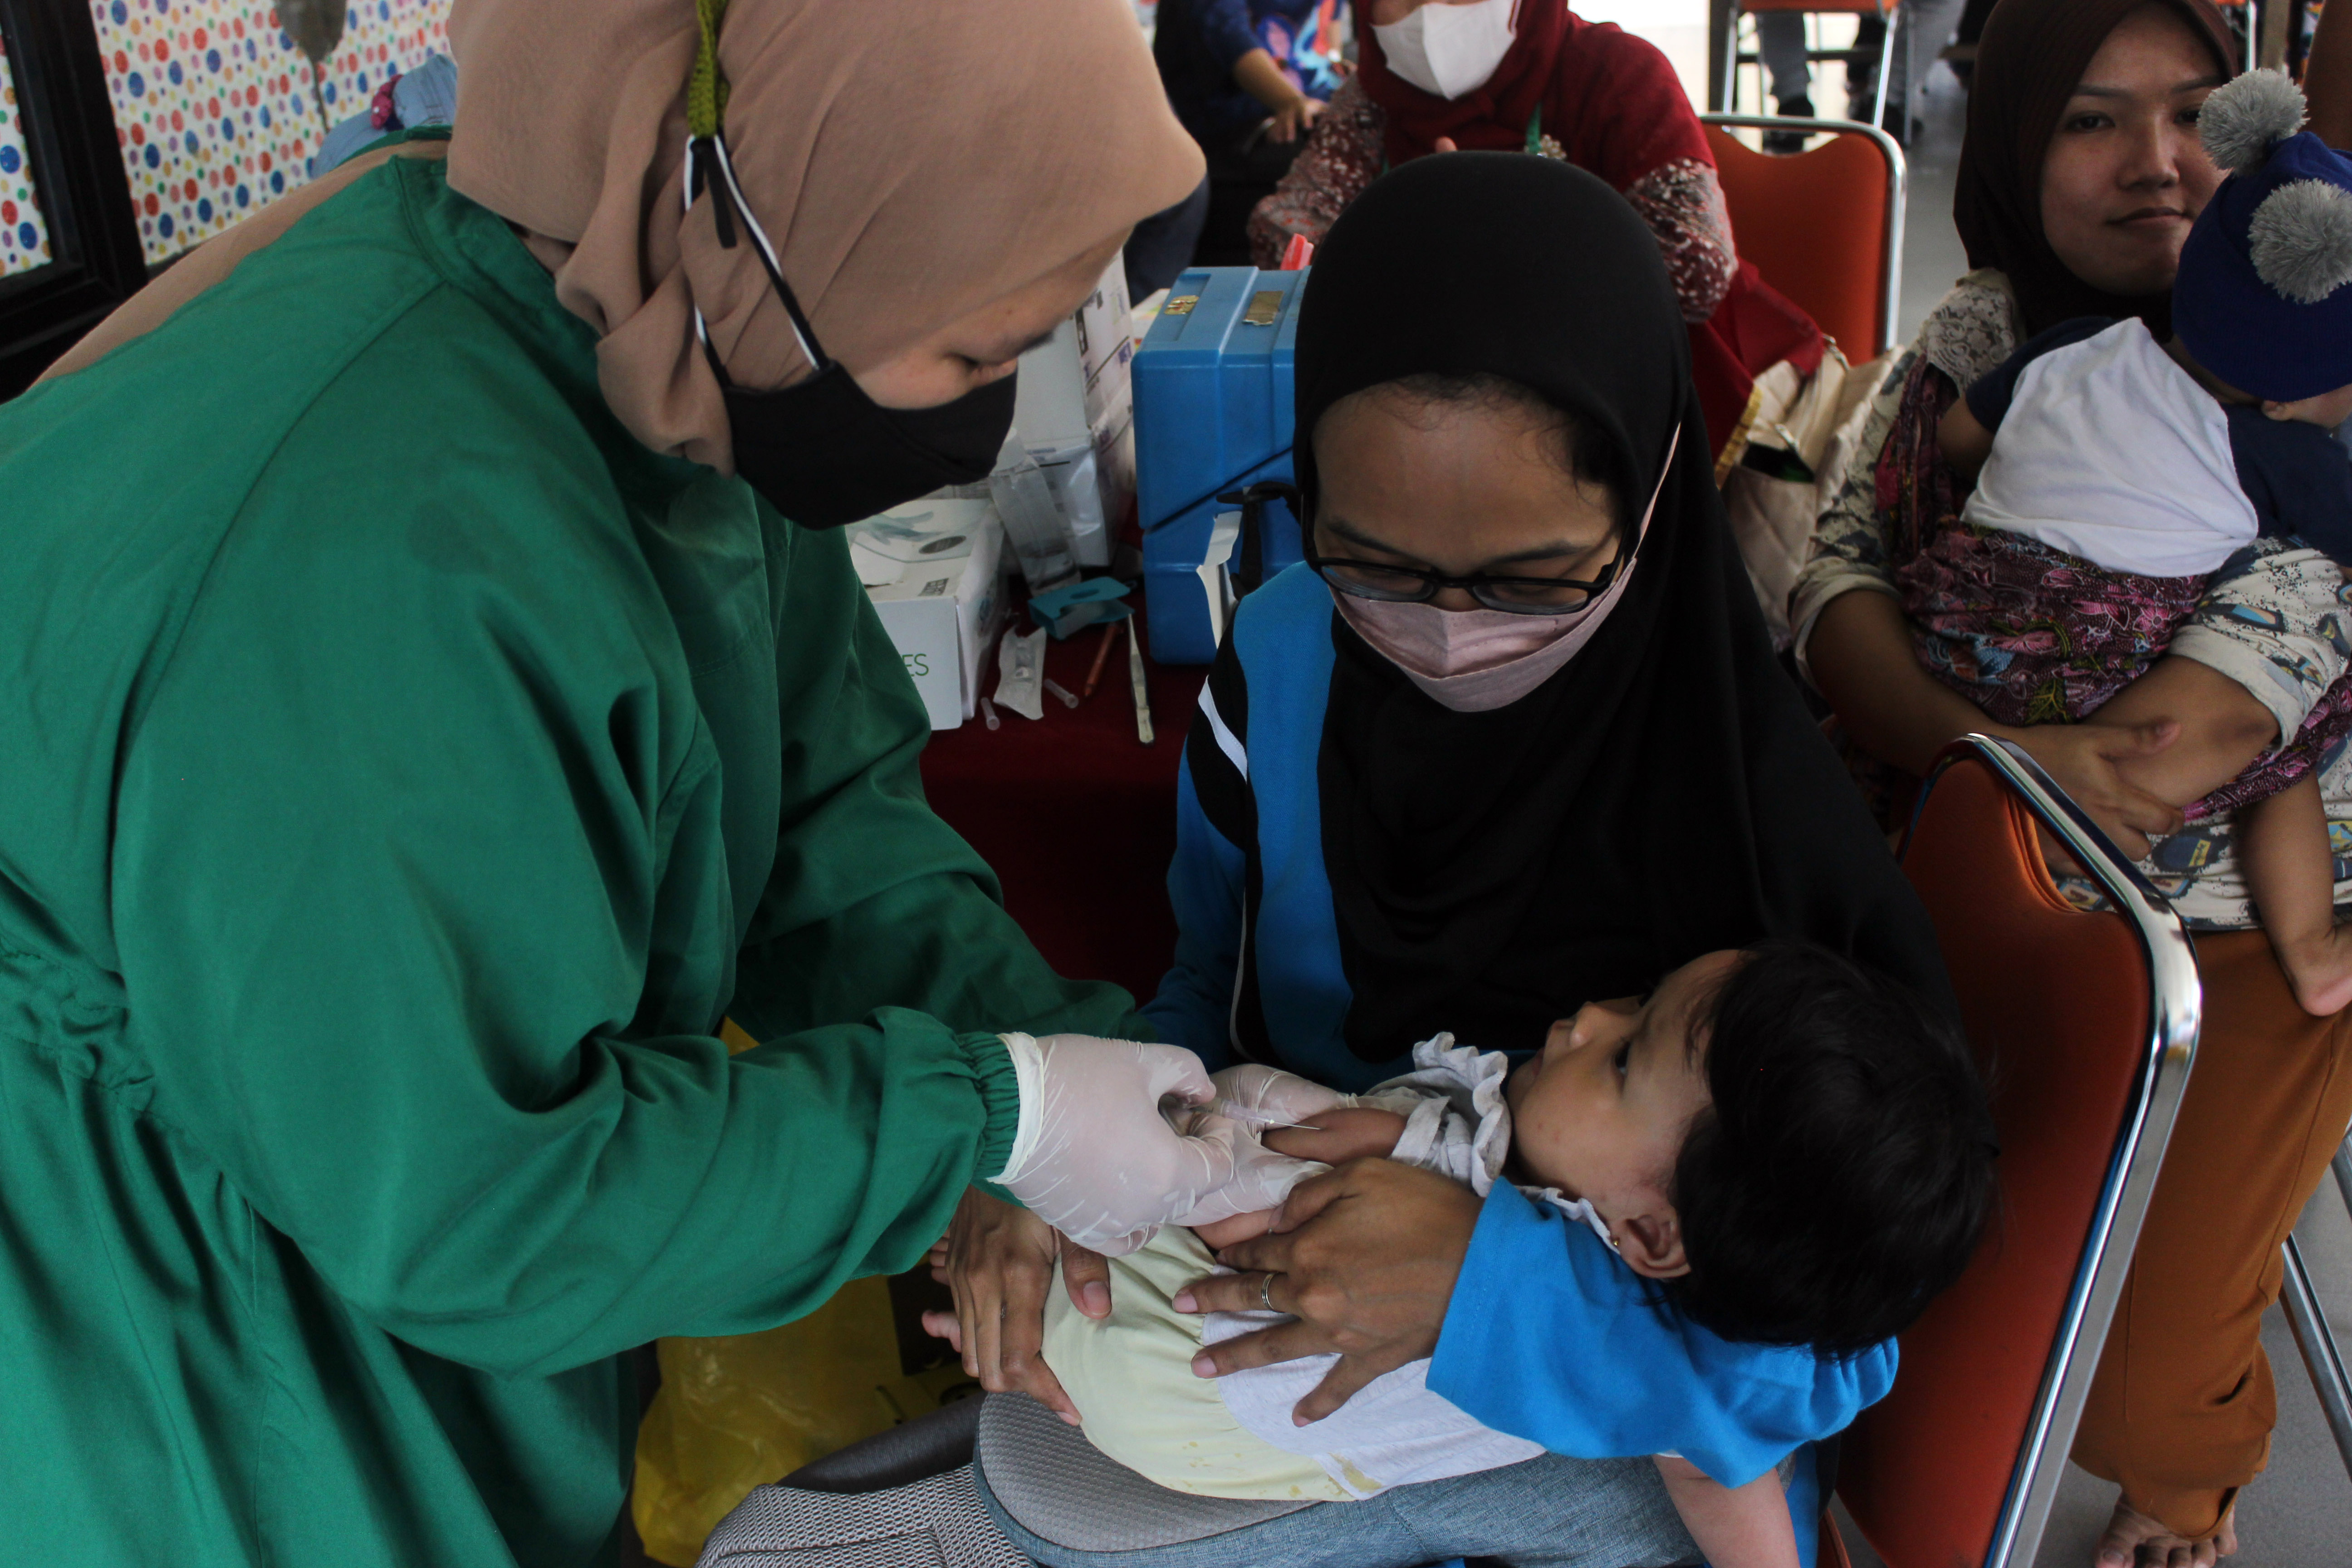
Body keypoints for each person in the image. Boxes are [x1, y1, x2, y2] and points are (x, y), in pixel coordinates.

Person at [0, 2, 1295, 1564]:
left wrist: (1068, 1061)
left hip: (402, 1180)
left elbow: (827, 826)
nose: (976, 427)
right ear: (754, 216)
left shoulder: (661, 341)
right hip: (170, 1290)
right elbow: (483, 1202)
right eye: (970, 350)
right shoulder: (386, 541)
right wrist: (990, 1113)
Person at [935, 151, 1959, 1565]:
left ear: (1657, 494)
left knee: (1044, 1517)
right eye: (1377, 564)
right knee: (1024, 1459)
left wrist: (1497, 1295)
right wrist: (1062, 1168)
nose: (1450, 630)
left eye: (1537, 580)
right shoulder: (1287, 663)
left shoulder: (1751, 820)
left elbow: (1843, 1334)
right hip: (1272, 1286)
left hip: (1608, 1420)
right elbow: (1201, 981)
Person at [1792, 0, 2352, 1560]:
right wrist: (1984, 748)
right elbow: (1835, 584)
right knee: (1880, 1260)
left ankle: (2188, 1484)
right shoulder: (1985, 334)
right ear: (2017, 142)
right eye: (2093, 120)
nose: (2162, 167)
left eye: (2194, 114)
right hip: (1972, 862)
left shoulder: (2325, 371)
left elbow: (2196, 739)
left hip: (2243, 932)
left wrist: (1976, 718)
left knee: (2129, 1388)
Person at [923, 943, 1992, 1568]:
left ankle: (981, 1238)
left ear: (1654, 1237)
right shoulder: (1599, 1207)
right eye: (1633, 1003)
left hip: (1176, 1389)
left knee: (1186, 1171)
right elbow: (1726, 1459)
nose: (1582, 1020)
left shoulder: (1614, 1309)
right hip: (1153, 1379)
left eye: (1622, 1056)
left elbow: (1729, 1443)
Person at [1926, 68, 2352, 1015]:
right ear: (2286, 394)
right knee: (2289, 736)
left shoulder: (2080, 344)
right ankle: (2317, 951)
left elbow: (1958, 440)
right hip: (2102, 697)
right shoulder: (2281, 457)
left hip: (1958, 640)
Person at [1244, 0, 1825, 464]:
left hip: (1636, 421)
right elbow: (1285, 234)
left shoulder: (1617, 72)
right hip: (1439, 427)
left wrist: (1489, 239)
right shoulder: (1372, 103)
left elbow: (1695, 268)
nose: (1425, 15)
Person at [1151, 0, 1352, 265]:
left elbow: (1328, 41)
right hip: (1237, 126)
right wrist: (1292, 102)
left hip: (1312, 102)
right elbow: (1232, 38)